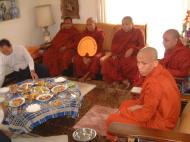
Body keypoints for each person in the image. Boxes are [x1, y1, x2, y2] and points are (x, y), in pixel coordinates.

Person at [105, 47, 181, 141]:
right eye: (138, 62)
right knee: (126, 104)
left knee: (111, 120)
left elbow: (145, 116)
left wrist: (126, 112)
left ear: (155, 63)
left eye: (144, 63)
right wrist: (135, 107)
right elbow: (150, 101)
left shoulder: (155, 83)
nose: (139, 67)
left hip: (161, 124)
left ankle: (115, 138)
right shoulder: (160, 71)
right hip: (159, 112)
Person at [101, 16, 145, 87]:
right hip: (119, 55)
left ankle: (128, 81)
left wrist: (133, 49)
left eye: (127, 24)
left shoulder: (138, 32)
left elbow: (142, 46)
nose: (124, 26)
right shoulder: (118, 33)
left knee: (133, 65)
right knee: (106, 62)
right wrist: (114, 54)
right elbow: (113, 46)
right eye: (123, 24)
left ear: (132, 24)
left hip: (133, 56)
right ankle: (122, 80)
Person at [73, 17, 104, 81]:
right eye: (87, 24)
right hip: (85, 52)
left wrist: (90, 57)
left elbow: (99, 46)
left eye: (91, 24)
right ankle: (80, 75)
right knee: (77, 58)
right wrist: (84, 56)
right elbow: (81, 46)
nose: (89, 26)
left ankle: (88, 76)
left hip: (97, 51)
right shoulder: (84, 33)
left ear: (95, 24)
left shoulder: (99, 32)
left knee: (95, 58)